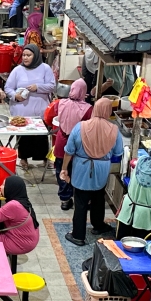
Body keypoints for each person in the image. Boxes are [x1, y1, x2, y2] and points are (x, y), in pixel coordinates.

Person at [61, 98, 123, 246]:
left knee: (81, 201)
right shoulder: (114, 130)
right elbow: (118, 152)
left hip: (82, 167)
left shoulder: (80, 127)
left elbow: (69, 151)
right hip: (102, 169)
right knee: (98, 198)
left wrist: (64, 169)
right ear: (109, 111)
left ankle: (78, 235)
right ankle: (98, 225)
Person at [4, 44, 56, 166]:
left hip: (40, 111)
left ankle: (43, 158)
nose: (25, 58)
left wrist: (37, 87)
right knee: (24, 138)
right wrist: (15, 96)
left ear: (36, 55)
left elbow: (52, 86)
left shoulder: (45, 68)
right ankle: (23, 158)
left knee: (40, 137)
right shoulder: (17, 70)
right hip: (22, 112)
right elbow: (8, 87)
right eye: (24, 55)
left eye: (29, 55)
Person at [53, 78, 93, 209]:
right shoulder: (88, 109)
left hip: (61, 141)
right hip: (78, 144)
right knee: (76, 171)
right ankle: (79, 199)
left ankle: (65, 199)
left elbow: (51, 117)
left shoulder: (60, 102)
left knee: (61, 169)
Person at [0, 177, 40, 262]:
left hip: (20, 243)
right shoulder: (22, 200)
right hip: (28, 239)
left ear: (10, 188)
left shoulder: (14, 205)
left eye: (3, 185)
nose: (0, 187)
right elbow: (5, 213)